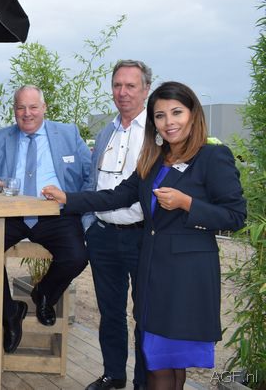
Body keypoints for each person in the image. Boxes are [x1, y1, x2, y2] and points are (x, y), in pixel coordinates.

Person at [43, 82, 246, 390]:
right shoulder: (153, 160)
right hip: (152, 272)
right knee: (160, 361)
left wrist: (187, 203)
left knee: (164, 363)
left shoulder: (212, 156)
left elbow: (235, 216)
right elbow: (115, 196)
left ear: (193, 115)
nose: (169, 122)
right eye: (160, 116)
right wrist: (67, 199)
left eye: (177, 113)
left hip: (186, 278)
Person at [0, 85, 91, 353]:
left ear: (44, 108)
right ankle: (10, 312)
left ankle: (44, 294)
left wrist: (77, 204)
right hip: (11, 212)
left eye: (33, 107)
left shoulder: (68, 134)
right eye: (21, 107)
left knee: (77, 256)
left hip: (56, 213)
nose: (27, 113)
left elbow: (90, 175)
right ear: (14, 110)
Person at [84, 60, 152, 390]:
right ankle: (114, 375)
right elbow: (92, 181)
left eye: (130, 86)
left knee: (146, 315)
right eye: (117, 85)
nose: (122, 92)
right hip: (103, 237)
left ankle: (143, 382)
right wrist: (89, 225)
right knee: (110, 312)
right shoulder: (105, 131)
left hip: (141, 237)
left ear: (146, 90)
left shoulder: (155, 133)